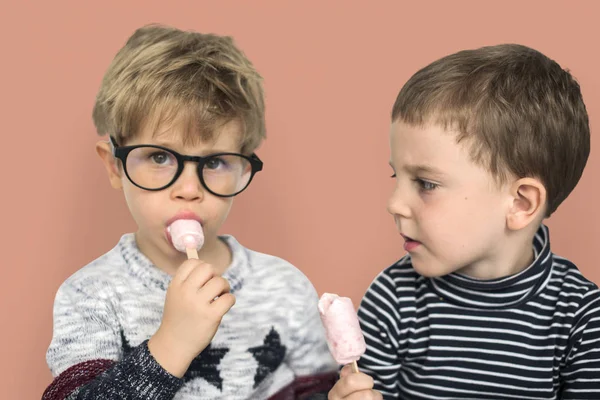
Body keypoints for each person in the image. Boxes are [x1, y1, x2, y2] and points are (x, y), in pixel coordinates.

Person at [43, 24, 337, 400]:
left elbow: (314, 391)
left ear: (243, 168)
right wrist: (172, 345)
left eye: (214, 162)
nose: (189, 190)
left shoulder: (286, 287)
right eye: (160, 157)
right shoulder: (91, 296)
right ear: (115, 166)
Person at [328, 44, 600, 399]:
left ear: (519, 203)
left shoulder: (581, 318)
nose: (394, 204)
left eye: (426, 184)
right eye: (398, 178)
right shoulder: (392, 299)